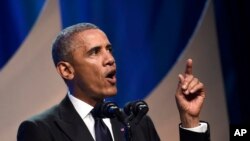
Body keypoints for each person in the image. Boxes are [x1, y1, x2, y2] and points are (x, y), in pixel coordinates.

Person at [17, 23, 210, 141]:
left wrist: (190, 120)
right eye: (95, 52)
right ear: (67, 70)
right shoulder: (41, 130)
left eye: (109, 49)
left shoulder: (136, 123)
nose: (110, 58)